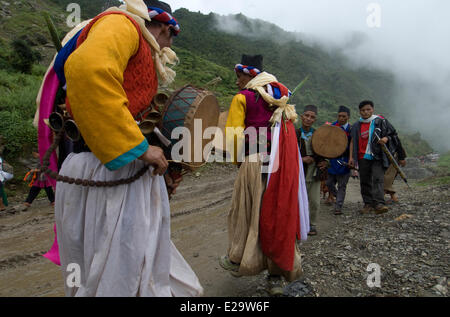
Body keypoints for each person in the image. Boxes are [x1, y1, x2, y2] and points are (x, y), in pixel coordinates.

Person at [47, 0, 202, 296]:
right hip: (103, 168)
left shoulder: (131, 37)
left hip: (110, 166)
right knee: (118, 271)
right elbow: (89, 70)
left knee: (120, 265)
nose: (169, 45)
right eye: (172, 36)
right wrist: (139, 148)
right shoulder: (123, 24)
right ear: (164, 27)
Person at [220, 54, 309, 296]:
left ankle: (241, 257)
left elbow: (234, 137)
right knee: (278, 214)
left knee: (249, 213)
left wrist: (240, 162)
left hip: (253, 161)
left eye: (239, 76)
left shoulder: (243, 98)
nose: (237, 81)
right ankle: (276, 277)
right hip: (281, 164)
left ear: (250, 75)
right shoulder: (281, 99)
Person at [349, 100, 399, 215]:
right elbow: (352, 141)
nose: (366, 112)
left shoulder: (381, 122)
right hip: (362, 157)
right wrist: (351, 157)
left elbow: (393, 134)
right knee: (365, 181)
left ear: (373, 109)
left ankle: (379, 204)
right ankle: (368, 204)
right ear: (359, 112)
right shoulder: (357, 125)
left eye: (368, 109)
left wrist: (386, 138)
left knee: (378, 179)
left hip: (377, 156)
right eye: (363, 110)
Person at [296, 105, 328, 235]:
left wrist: (326, 162)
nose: (309, 119)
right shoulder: (294, 134)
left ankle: (312, 224)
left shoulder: (318, 135)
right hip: (298, 173)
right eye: (307, 116)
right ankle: (297, 224)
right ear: (301, 116)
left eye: (312, 117)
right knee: (298, 201)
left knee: (314, 201)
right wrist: (301, 159)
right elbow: (287, 154)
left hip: (314, 173)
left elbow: (327, 152)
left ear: (315, 119)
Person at [326, 106, 352, 215]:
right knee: (329, 183)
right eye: (339, 116)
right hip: (333, 160)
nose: (341, 118)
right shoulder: (332, 127)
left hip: (345, 160)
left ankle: (338, 206)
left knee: (342, 185)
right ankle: (338, 196)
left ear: (348, 117)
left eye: (344, 116)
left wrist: (351, 159)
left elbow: (352, 144)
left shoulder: (351, 129)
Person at [384, 132, 407, 204]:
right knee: (387, 178)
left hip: (393, 158)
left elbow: (397, 143)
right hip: (384, 158)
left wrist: (401, 157)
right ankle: (393, 197)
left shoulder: (388, 129)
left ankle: (380, 198)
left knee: (387, 178)